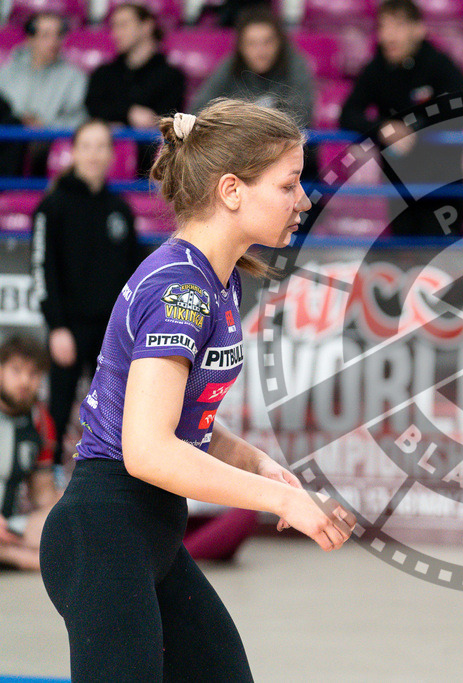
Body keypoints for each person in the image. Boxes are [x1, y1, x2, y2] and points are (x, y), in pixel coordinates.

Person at [38, 99, 356, 681]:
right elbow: (148, 451)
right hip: (105, 535)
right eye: (289, 185)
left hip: (149, 538)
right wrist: (282, 501)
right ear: (232, 190)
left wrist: (257, 464)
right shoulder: (180, 290)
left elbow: (185, 421)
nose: (304, 200)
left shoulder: (217, 278)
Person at [31, 119, 145, 466]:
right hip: (69, 329)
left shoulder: (120, 209)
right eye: (87, 146)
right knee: (60, 407)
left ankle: (112, 481)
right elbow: (42, 269)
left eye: (101, 146)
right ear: (74, 152)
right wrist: (57, 327)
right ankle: (44, 477)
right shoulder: (53, 206)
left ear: (112, 155)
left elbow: (135, 273)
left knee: (116, 410)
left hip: (111, 331)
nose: (94, 154)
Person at [339, 0, 463, 237]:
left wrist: (411, 129)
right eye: (383, 27)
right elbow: (348, 115)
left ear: (419, 29)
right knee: (403, 262)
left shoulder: (440, 65)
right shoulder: (376, 69)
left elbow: (456, 111)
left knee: (441, 264)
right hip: (398, 189)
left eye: (397, 26)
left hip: (441, 187)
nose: (388, 36)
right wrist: (382, 129)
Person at [191, 5, 317, 179]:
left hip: (292, 167)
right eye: (252, 43)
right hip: (238, 166)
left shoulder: (296, 65)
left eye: (267, 42)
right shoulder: (230, 66)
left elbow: (299, 119)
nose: (260, 51)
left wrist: (239, 131)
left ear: (280, 43)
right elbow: (197, 110)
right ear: (241, 47)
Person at [85, 2, 186, 176]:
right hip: (107, 162)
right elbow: (93, 106)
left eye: (123, 25)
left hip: (149, 166)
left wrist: (119, 119)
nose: (115, 33)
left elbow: (165, 119)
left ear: (146, 26)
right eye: (114, 26)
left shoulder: (172, 76)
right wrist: (129, 113)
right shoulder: (104, 73)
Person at [0, 12, 87, 175]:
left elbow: (78, 119)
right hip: (7, 141)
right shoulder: (6, 72)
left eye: (58, 34)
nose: (54, 41)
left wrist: (45, 127)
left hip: (47, 143)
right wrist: (20, 123)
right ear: (30, 39)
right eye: (46, 35)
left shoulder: (75, 76)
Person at [0, 335, 59, 571]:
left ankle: (9, 553)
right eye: (16, 371)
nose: (25, 380)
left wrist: (69, 503)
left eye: (33, 374)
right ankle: (17, 557)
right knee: (50, 561)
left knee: (66, 517)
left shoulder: (42, 423)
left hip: (10, 526)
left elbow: (41, 493)